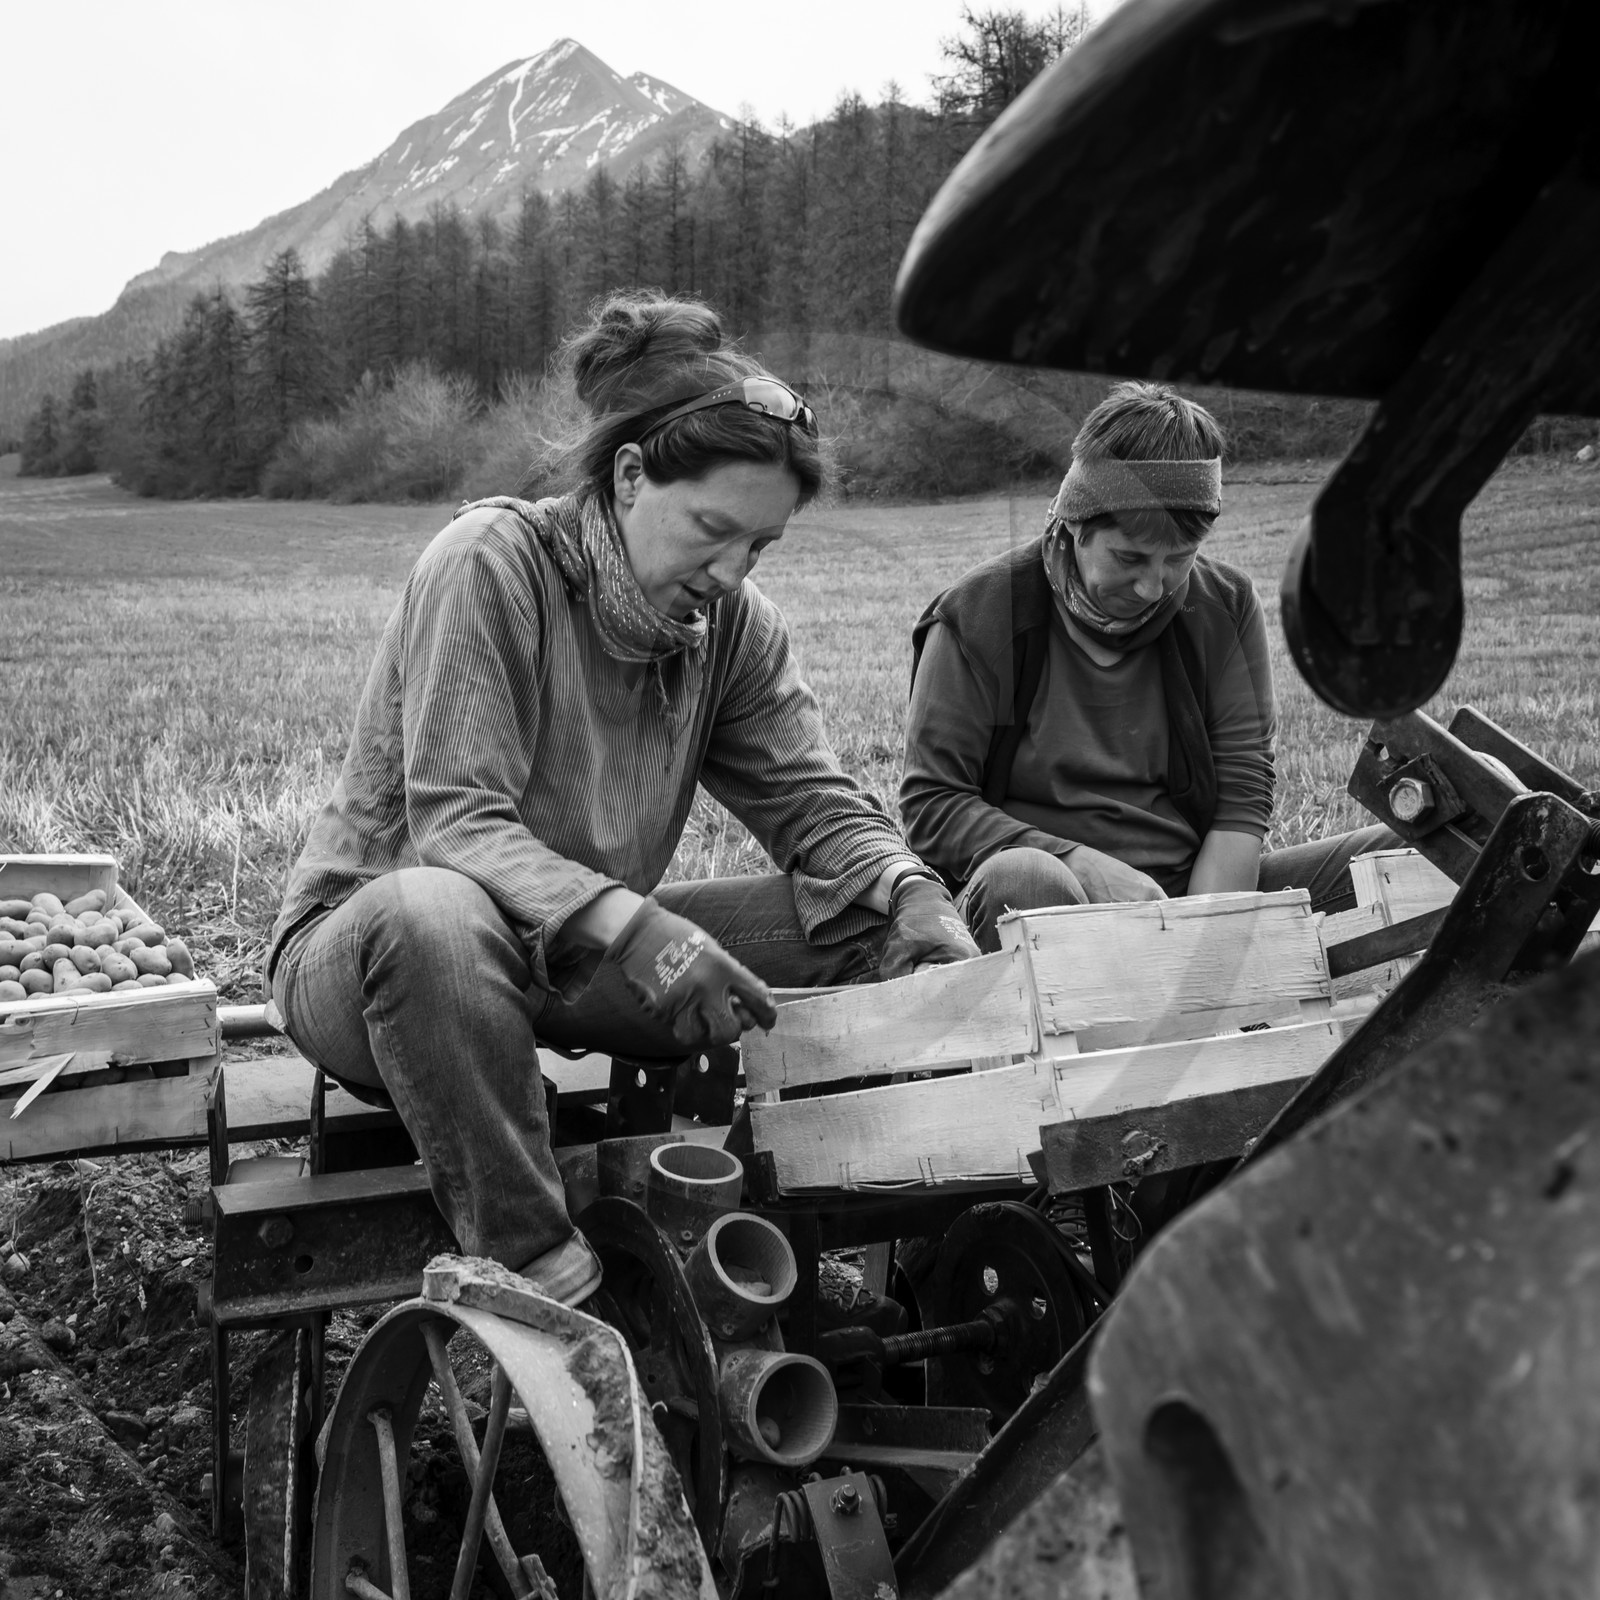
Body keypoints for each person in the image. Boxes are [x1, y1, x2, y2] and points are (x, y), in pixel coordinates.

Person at [267, 292, 978, 1303]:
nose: (731, 572)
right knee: (432, 911)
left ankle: (843, 1201)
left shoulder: (729, 627)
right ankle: (539, 1271)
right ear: (631, 474)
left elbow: (814, 805)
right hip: (389, 963)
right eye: (712, 531)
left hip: (574, 956)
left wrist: (911, 893)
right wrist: (639, 930)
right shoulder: (493, 562)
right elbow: (457, 827)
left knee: (863, 906)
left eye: (760, 547)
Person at [901, 381, 1394, 952]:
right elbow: (933, 804)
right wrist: (1078, 863)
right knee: (1027, 879)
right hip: (1047, 902)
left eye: (1177, 560)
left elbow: (1243, 791)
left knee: (1436, 842)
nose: (1152, 587)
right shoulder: (978, 616)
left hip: (1194, 898)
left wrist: (1202, 938)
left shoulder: (1224, 606)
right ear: (1075, 524)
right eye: (1129, 557)